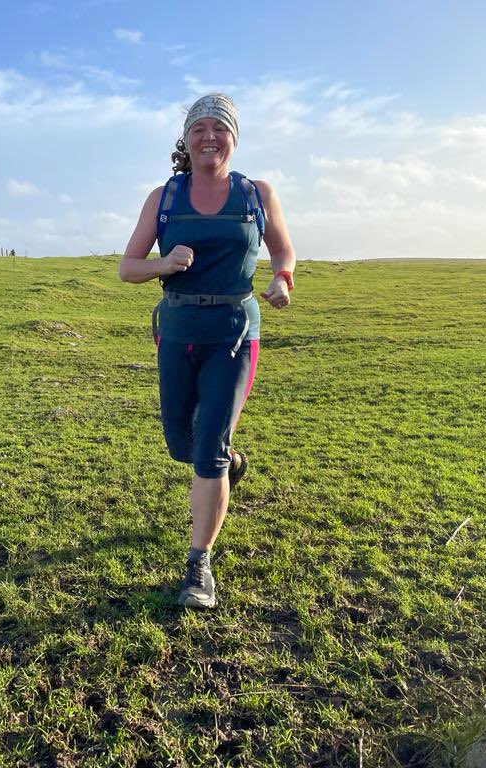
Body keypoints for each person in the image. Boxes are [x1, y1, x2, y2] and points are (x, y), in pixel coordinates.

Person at [118, 93, 296, 609]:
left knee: (208, 448)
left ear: (234, 138)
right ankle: (227, 464)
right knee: (182, 444)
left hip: (235, 331)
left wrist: (282, 278)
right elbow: (128, 267)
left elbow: (283, 248)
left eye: (220, 128)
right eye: (200, 129)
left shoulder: (256, 194)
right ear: (187, 139)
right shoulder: (165, 197)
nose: (209, 137)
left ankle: (199, 564)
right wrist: (163, 263)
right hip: (177, 328)